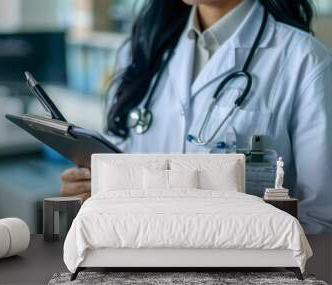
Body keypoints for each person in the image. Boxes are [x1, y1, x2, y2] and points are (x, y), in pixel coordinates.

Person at [61, 0, 332, 234]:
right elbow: (119, 164)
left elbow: (320, 218)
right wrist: (90, 191)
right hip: (138, 258)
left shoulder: (304, 60)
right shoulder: (143, 49)